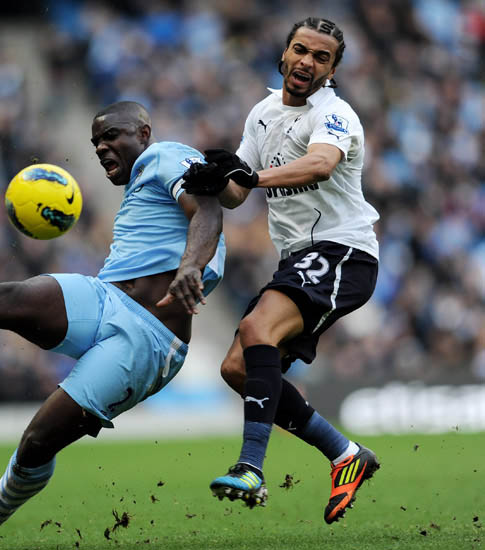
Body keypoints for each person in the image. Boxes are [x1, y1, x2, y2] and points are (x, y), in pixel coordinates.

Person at [182, 17, 379, 524]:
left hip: (344, 251)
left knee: (256, 329)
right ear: (285, 53)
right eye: (300, 50)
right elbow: (237, 191)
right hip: (299, 260)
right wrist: (214, 179)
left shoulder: (335, 114)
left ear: (332, 70)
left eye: (321, 57)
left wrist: (249, 176)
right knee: (237, 368)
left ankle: (250, 466)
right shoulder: (263, 113)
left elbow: (320, 164)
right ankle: (345, 454)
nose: (307, 62)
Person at [0, 100, 225, 525]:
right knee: (9, 298)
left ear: (143, 133)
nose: (101, 147)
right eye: (95, 143)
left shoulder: (167, 155)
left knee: (37, 441)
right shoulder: (139, 185)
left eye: (110, 136)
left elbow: (208, 208)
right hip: (105, 298)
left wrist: (191, 266)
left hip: (148, 338)